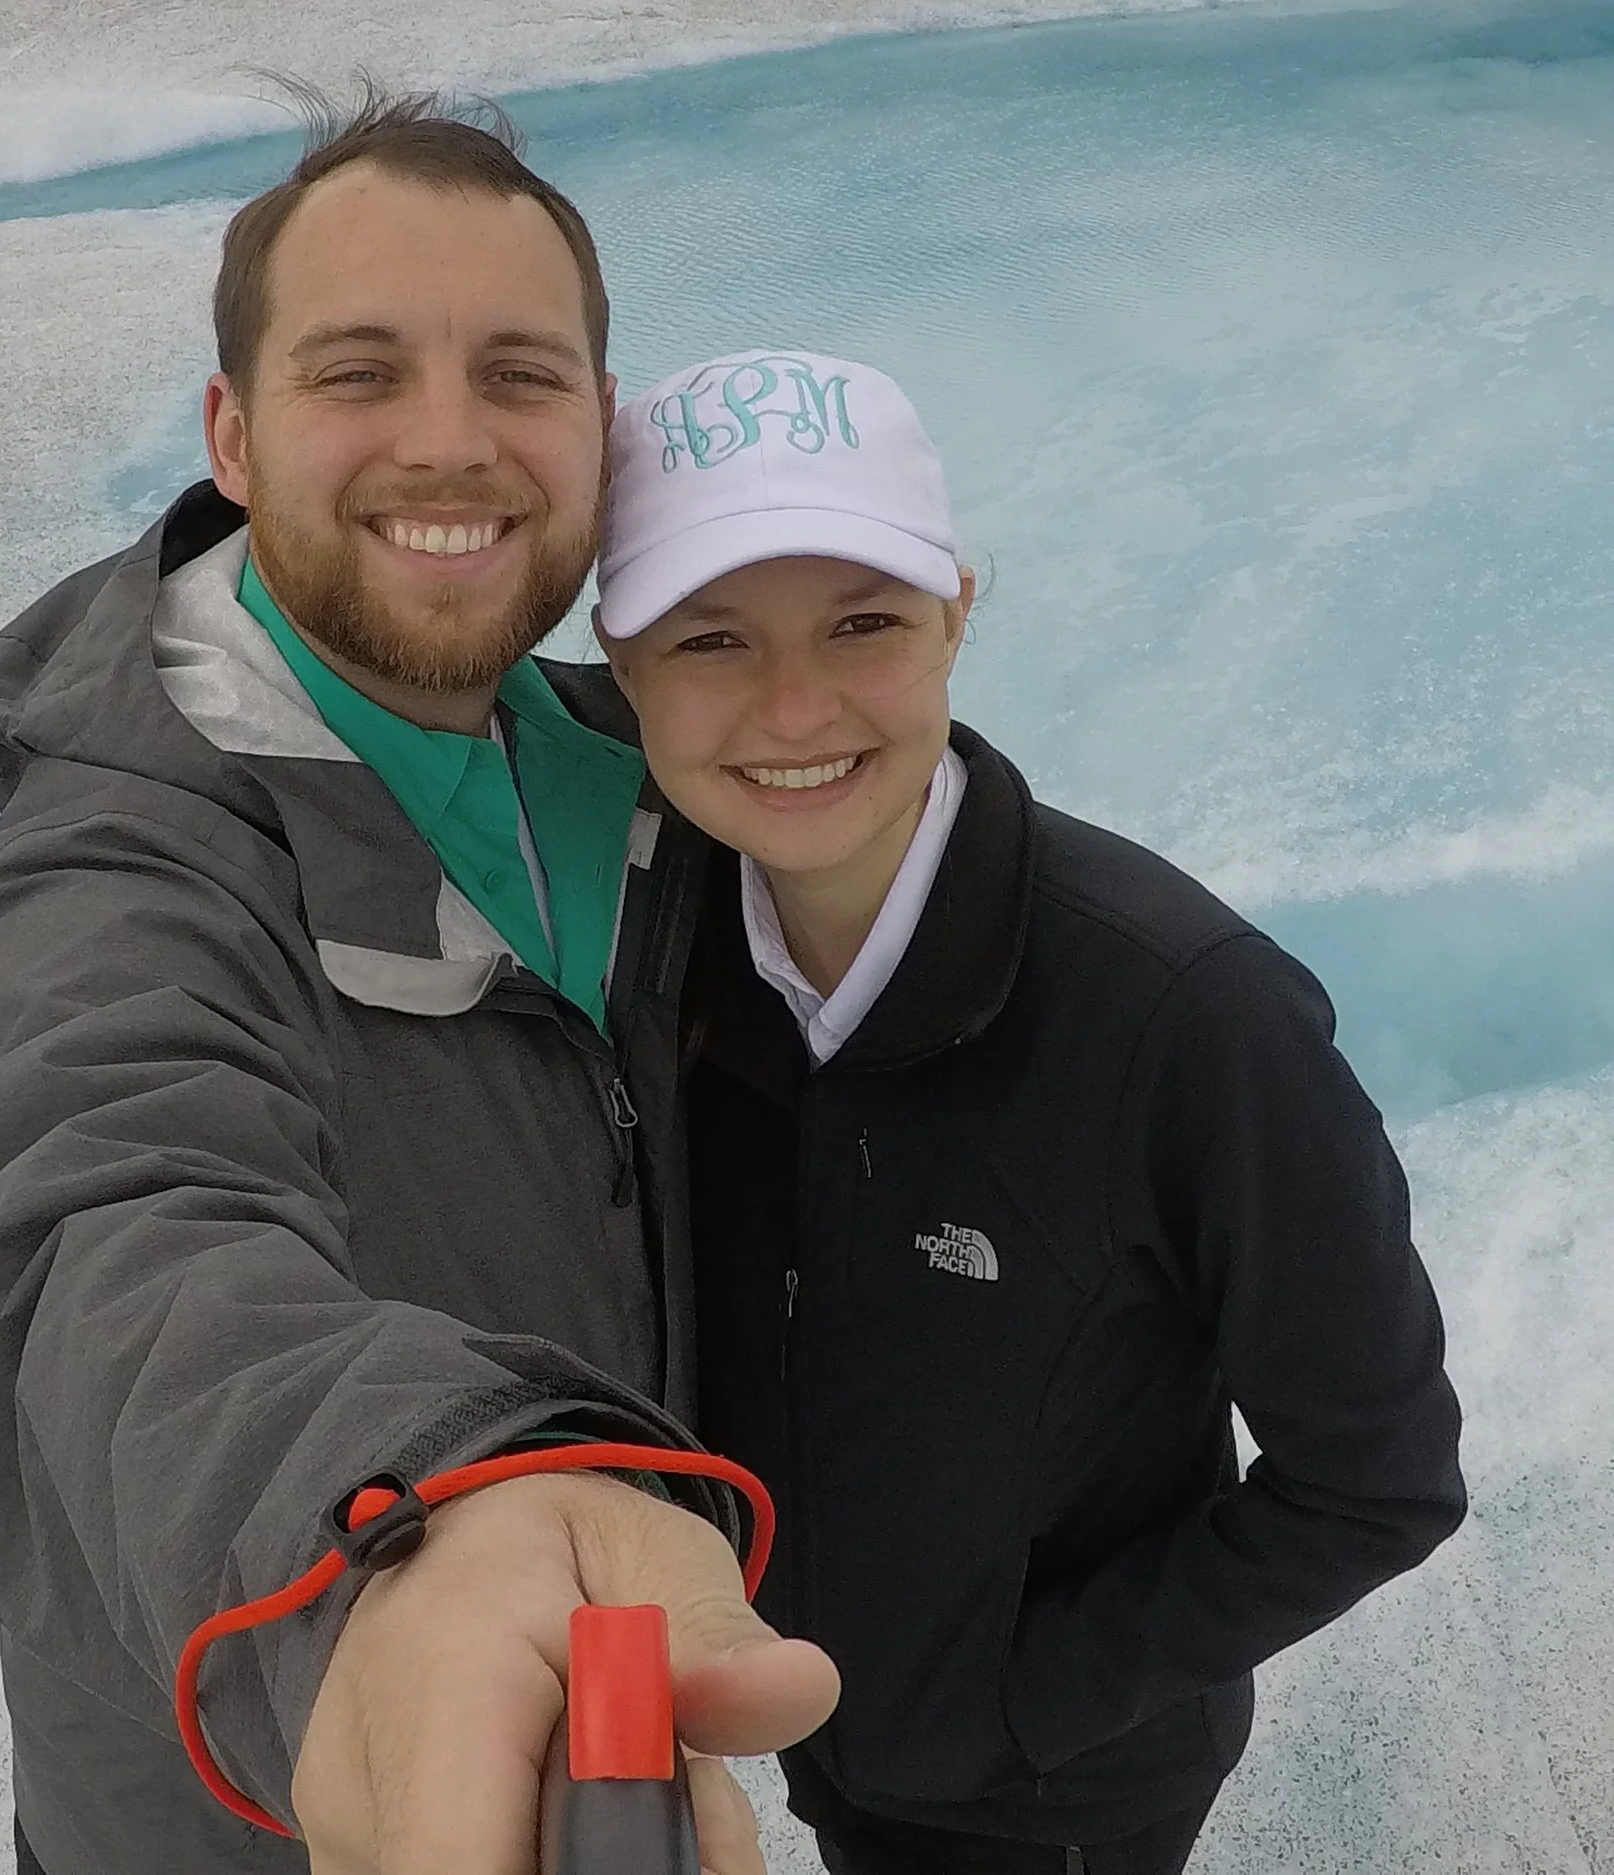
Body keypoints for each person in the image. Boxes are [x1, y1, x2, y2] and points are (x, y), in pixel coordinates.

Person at [0, 102, 836, 1875]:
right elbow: (91, 1222)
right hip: (259, 1809)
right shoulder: (128, 854)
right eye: (359, 373)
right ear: (234, 435)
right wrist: (402, 1524)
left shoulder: (641, 780)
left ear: (601, 430)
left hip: (601, 1704)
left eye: (520, 375)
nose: (449, 442)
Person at [590, 348, 1469, 1874]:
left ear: (958, 611)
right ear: (620, 665)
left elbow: (1380, 1478)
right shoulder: (664, 960)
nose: (793, 704)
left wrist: (1014, 1697)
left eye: (863, 621)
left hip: (1056, 1802)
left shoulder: (1188, 1017)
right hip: (822, 1733)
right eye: (711, 637)